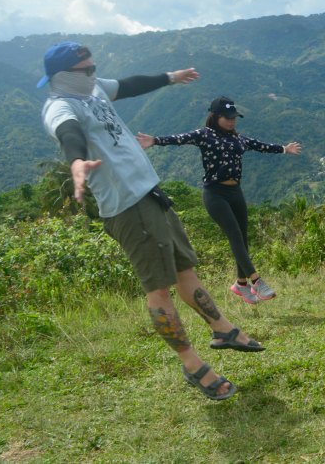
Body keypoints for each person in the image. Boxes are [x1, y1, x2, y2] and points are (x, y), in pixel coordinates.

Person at [38, 41, 265, 401]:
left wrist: (171, 77)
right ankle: (192, 364)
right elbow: (69, 133)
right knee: (158, 288)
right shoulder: (60, 105)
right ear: (66, 75)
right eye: (89, 69)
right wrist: (76, 161)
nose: (96, 74)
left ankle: (222, 329)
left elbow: (128, 85)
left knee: (184, 270)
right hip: (128, 206)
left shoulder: (91, 87)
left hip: (151, 194)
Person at [136, 97, 301, 304]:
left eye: (234, 117)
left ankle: (240, 285)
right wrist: (155, 140)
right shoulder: (205, 135)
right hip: (215, 194)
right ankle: (256, 281)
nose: (232, 121)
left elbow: (260, 146)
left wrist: (284, 149)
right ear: (215, 117)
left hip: (236, 192)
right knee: (234, 235)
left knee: (242, 238)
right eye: (228, 117)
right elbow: (180, 138)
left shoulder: (238, 139)